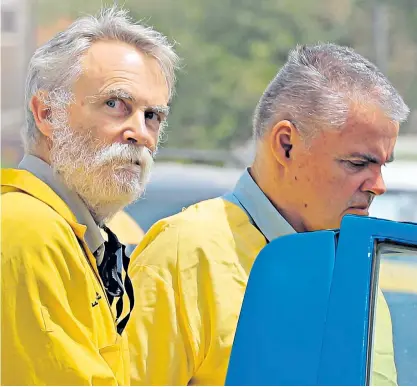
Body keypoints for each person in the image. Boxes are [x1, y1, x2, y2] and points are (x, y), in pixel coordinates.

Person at [125, 43, 409, 386]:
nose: (378, 184)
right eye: (358, 163)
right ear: (286, 145)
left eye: (381, 165)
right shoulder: (184, 254)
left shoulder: (360, 269)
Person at [1, 6, 179, 385]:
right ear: (47, 113)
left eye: (153, 116)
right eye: (116, 105)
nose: (140, 133)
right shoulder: (28, 229)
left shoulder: (69, 231)